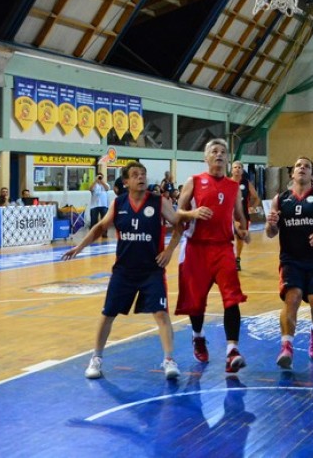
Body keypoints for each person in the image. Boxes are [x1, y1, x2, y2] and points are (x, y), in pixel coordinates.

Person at [62, 162, 192, 381]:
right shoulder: (118, 203)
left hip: (152, 270)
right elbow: (100, 228)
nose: (141, 177)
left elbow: (180, 223)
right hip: (124, 271)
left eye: (143, 174)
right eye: (135, 175)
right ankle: (96, 358)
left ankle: (169, 360)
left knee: (161, 314)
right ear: (126, 182)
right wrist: (79, 246)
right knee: (108, 314)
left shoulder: (159, 201)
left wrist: (170, 250)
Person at [174, 138, 250, 373]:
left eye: (223, 152)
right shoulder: (194, 181)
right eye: (214, 151)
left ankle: (232, 350)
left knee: (232, 298)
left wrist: (241, 230)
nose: (219, 155)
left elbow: (239, 216)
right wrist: (193, 212)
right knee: (195, 303)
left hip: (223, 248)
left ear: (227, 158)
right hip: (196, 248)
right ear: (205, 157)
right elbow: (177, 214)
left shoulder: (233, 187)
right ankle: (198, 336)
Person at [265, 157, 313, 369]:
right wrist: (270, 225)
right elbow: (271, 233)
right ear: (292, 173)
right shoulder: (280, 200)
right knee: (293, 298)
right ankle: (286, 347)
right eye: (298, 165)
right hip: (291, 260)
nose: (302, 168)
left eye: (307, 166)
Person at [231, 160, 261, 271]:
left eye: (239, 167)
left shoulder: (246, 183)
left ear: (242, 170)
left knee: (240, 238)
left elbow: (256, 197)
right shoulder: (227, 182)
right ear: (232, 170)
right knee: (226, 238)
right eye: (235, 167)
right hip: (229, 216)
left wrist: (252, 207)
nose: (237, 169)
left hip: (243, 216)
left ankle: (237, 259)